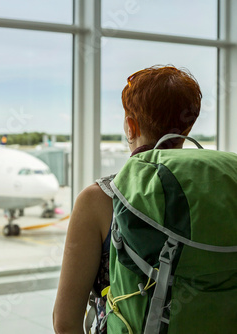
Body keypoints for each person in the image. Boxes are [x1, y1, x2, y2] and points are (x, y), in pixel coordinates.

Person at [52, 65, 202, 334]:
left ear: (130, 126)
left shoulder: (100, 199)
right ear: (188, 126)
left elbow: (65, 322)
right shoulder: (218, 192)